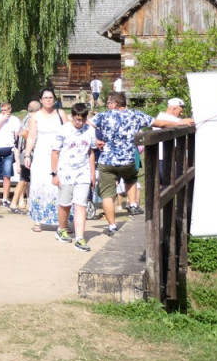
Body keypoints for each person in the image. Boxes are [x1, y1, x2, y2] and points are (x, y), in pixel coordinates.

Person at [93, 91, 182, 235]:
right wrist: (179, 122)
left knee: (107, 195)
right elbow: (159, 123)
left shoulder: (103, 116)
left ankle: (112, 227)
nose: (108, 105)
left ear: (115, 103)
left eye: (109, 102)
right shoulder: (135, 114)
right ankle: (133, 203)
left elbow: (86, 124)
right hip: (128, 159)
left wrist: (95, 140)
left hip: (107, 161)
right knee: (131, 178)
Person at [50, 103, 97, 252]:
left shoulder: (90, 130)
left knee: (80, 204)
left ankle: (80, 238)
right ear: (72, 116)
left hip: (83, 172)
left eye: (82, 120)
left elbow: (91, 152)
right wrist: (54, 173)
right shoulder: (62, 130)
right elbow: (55, 153)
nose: (80, 123)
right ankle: (62, 228)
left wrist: (92, 173)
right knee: (65, 203)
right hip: (65, 172)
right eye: (77, 119)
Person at [23, 89, 65, 232]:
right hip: (41, 154)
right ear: (40, 100)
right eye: (45, 98)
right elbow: (31, 137)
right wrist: (27, 155)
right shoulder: (35, 116)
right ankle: (38, 220)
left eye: (50, 97)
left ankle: (62, 222)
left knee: (59, 186)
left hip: (59, 154)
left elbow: (69, 132)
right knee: (39, 184)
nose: (48, 100)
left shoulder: (61, 114)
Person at [154, 97, 195, 184]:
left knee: (166, 185)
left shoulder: (165, 118)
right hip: (163, 158)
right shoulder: (165, 118)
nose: (181, 112)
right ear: (174, 108)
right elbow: (189, 121)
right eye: (180, 110)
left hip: (163, 157)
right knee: (167, 185)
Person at [0, 102, 20, 207]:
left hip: (9, 149)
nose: (4, 112)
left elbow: (17, 135)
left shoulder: (15, 120)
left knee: (7, 175)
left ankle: (5, 198)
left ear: (10, 109)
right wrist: (2, 120)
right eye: (2, 110)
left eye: (5, 110)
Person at [11, 100, 39, 213]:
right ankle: (19, 203)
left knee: (24, 180)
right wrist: (33, 144)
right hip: (29, 153)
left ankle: (14, 203)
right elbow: (24, 133)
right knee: (26, 180)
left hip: (24, 153)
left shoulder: (24, 119)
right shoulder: (31, 119)